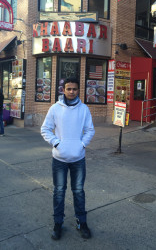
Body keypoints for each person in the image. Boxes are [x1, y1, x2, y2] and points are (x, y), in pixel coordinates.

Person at [41, 77, 95, 240]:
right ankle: (58, 224)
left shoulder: (84, 109)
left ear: (79, 90)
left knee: (78, 191)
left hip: (78, 158)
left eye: (75, 89)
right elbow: (45, 129)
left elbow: (90, 130)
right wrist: (57, 143)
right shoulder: (55, 108)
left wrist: (81, 145)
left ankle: (82, 222)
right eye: (69, 89)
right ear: (63, 90)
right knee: (59, 192)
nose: (72, 92)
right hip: (59, 159)